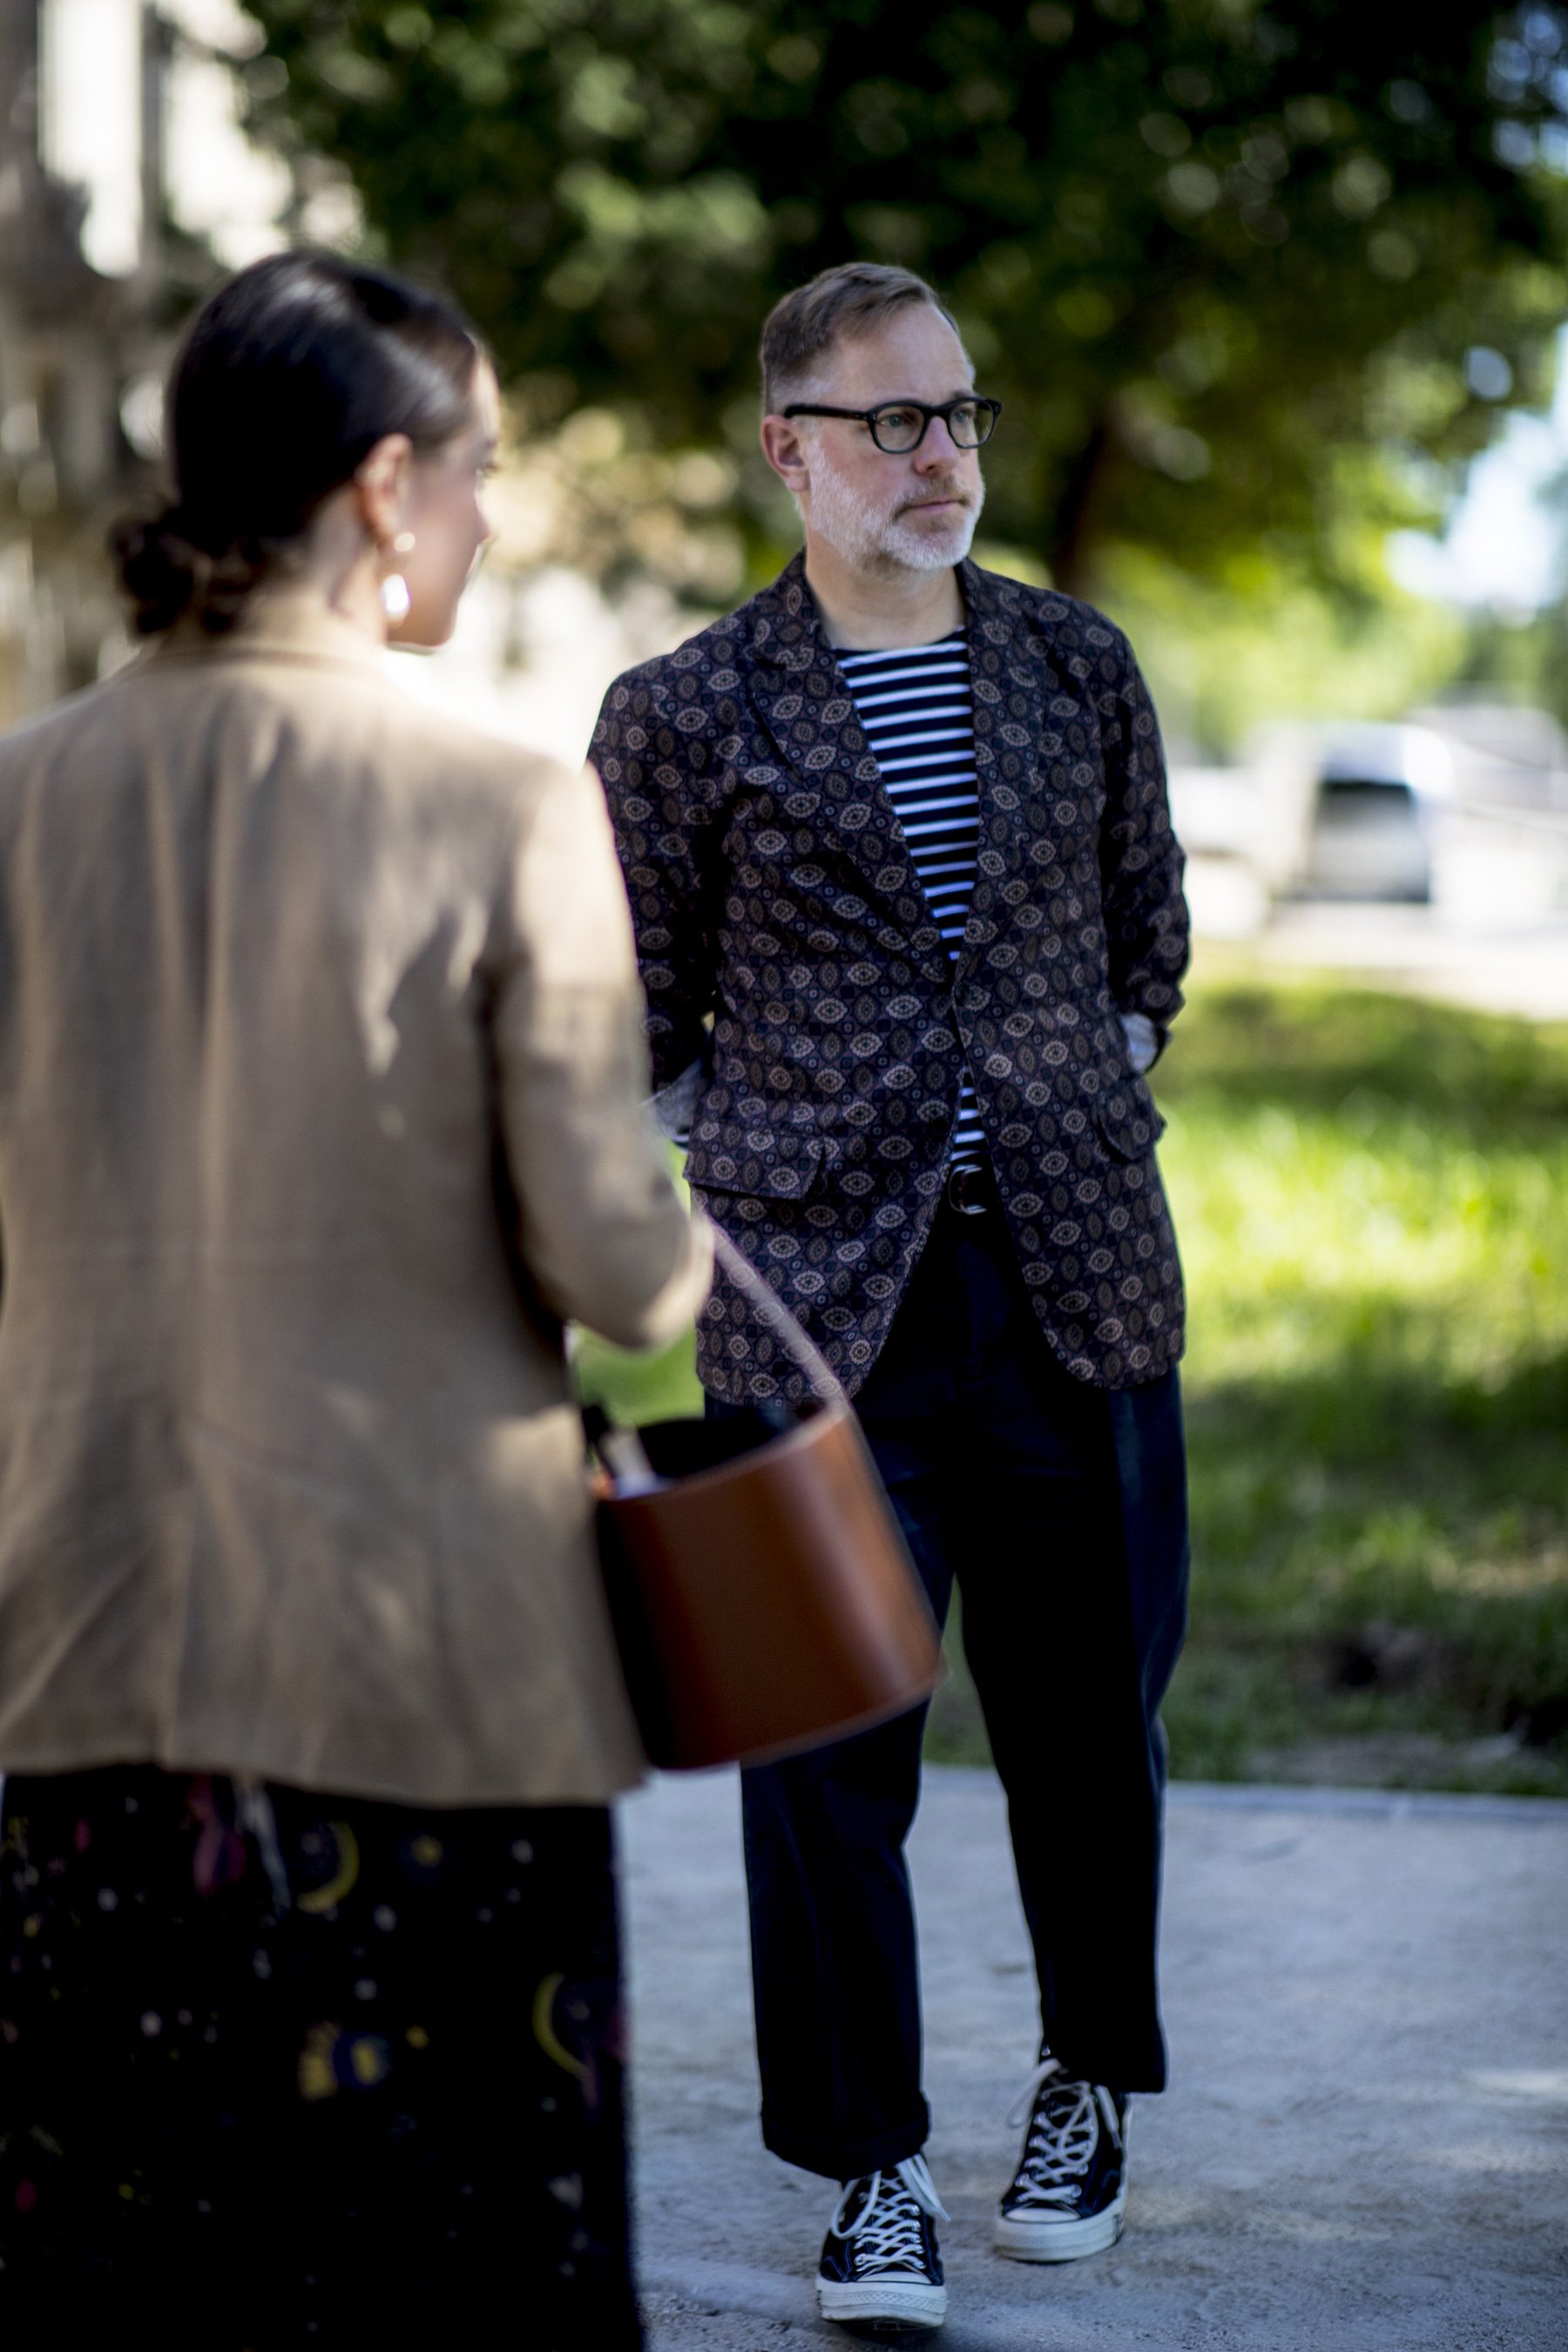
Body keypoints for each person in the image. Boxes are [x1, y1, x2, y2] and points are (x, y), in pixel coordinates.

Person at [0, 251, 707, 2345]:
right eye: (482, 471)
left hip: (77, 1648)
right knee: (442, 2280)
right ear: (386, 492)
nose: (491, 515)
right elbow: (620, 1264)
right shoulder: (503, 806)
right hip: (429, 1681)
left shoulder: (17, 801)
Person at [591, 261, 1190, 2335]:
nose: (944, 457)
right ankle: (867, 2171)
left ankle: (1085, 2088)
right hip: (807, 1303)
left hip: (1073, 1286)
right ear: (790, 450)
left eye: (960, 415)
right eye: (895, 423)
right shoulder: (680, 714)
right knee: (820, 1760)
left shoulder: (1074, 666)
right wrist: (766, 1157)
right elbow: (638, 996)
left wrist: (1054, 1116)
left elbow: (1148, 940)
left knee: (1088, 1732)